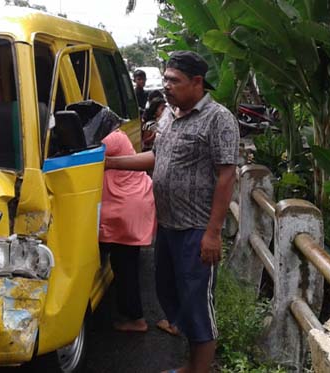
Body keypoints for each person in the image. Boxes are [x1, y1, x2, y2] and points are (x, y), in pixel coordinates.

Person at [106, 51, 238, 373]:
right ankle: (189, 365)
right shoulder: (170, 115)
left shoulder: (218, 119)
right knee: (171, 295)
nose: (166, 86)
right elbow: (156, 158)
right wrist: (108, 163)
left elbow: (226, 175)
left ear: (197, 83)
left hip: (197, 229)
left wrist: (213, 233)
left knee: (197, 306)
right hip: (167, 226)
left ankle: (199, 370)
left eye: (174, 81)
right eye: (165, 79)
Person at [99, 128, 156, 333]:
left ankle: (136, 320)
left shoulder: (112, 138)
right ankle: (133, 315)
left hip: (127, 208)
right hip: (130, 206)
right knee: (124, 264)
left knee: (125, 267)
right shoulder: (119, 135)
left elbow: (90, 156)